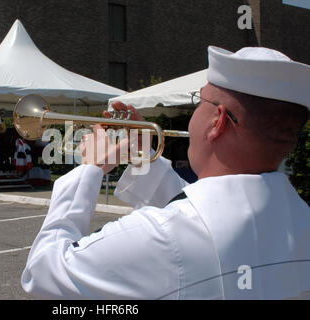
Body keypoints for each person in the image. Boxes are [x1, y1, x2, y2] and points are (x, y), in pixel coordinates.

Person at [21, 46, 310, 300]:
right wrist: (142, 157)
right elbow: (202, 213)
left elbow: (44, 272)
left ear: (217, 121)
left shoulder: (162, 235)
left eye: (200, 102)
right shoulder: (300, 219)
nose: (195, 112)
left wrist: (89, 169)